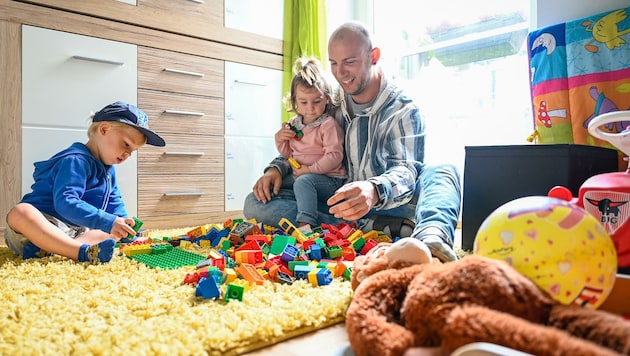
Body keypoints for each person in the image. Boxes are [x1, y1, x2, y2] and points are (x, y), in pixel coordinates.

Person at [244, 21, 462, 261]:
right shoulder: (330, 102)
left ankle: (430, 239)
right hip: (338, 200)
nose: (340, 73)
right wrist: (277, 167)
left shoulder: (402, 110)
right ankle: (370, 227)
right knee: (255, 202)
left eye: (349, 62)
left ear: (374, 56)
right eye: (334, 64)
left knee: (443, 171)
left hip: (392, 203)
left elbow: (406, 171)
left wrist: (373, 190)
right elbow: (306, 145)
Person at [4, 101, 166, 264]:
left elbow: (113, 201)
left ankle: (59, 249)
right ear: (104, 129)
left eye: (132, 150)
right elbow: (65, 203)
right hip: (43, 224)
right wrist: (108, 221)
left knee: (113, 232)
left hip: (76, 231)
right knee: (20, 212)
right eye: (126, 144)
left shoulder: (108, 169)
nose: (128, 154)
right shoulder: (75, 160)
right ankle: (77, 251)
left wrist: (124, 225)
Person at [275, 57, 347, 227]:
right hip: (301, 176)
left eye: (316, 101)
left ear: (327, 99)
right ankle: (309, 208)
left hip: (330, 180)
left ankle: (306, 225)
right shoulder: (294, 124)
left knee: (302, 183)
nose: (310, 107)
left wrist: (309, 170)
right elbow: (288, 154)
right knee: (275, 186)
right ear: (295, 101)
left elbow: (334, 156)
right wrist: (280, 139)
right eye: (303, 102)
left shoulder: (328, 125)